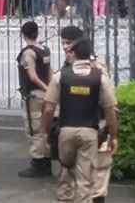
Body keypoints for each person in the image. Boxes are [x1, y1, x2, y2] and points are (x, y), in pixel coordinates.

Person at [42, 35, 118, 203]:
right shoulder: (100, 77)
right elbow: (111, 110)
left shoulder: (60, 76)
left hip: (65, 132)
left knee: (65, 172)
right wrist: (113, 136)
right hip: (90, 133)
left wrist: (46, 132)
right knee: (85, 181)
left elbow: (48, 108)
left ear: (74, 54)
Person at [16, 21, 53, 178]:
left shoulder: (28, 53)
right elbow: (50, 72)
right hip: (46, 96)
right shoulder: (44, 50)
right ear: (37, 33)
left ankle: (38, 163)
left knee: (35, 129)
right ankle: (46, 162)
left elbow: (32, 76)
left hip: (34, 97)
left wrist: (45, 89)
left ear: (23, 35)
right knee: (46, 129)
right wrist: (51, 90)